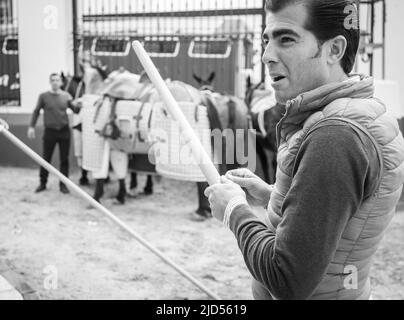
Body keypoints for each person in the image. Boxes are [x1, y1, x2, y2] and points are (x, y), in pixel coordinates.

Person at [205, 0, 404, 300]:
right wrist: (274, 194)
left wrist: (234, 209)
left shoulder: (335, 135)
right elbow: (337, 219)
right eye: (265, 40)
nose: (266, 56)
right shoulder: (357, 113)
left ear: (334, 50)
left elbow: (286, 279)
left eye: (286, 39)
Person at [28, 73, 80, 194]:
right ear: (50, 82)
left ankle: (63, 185)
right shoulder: (44, 96)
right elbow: (36, 111)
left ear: (61, 83)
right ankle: (43, 183)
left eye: (57, 80)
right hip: (50, 132)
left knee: (64, 160)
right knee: (46, 158)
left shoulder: (66, 96)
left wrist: (79, 104)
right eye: (53, 80)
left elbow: (75, 110)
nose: (55, 82)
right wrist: (31, 127)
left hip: (64, 131)